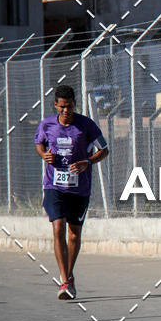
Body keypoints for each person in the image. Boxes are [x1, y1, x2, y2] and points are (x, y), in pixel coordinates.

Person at [35, 84, 108, 300]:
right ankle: (65, 279)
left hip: (79, 187)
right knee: (58, 227)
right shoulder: (46, 124)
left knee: (74, 233)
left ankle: (70, 276)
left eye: (70, 107)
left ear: (75, 104)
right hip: (54, 185)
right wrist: (43, 155)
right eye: (62, 107)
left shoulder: (86, 125)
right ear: (56, 106)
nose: (66, 111)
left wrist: (87, 162)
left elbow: (104, 149)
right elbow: (39, 144)